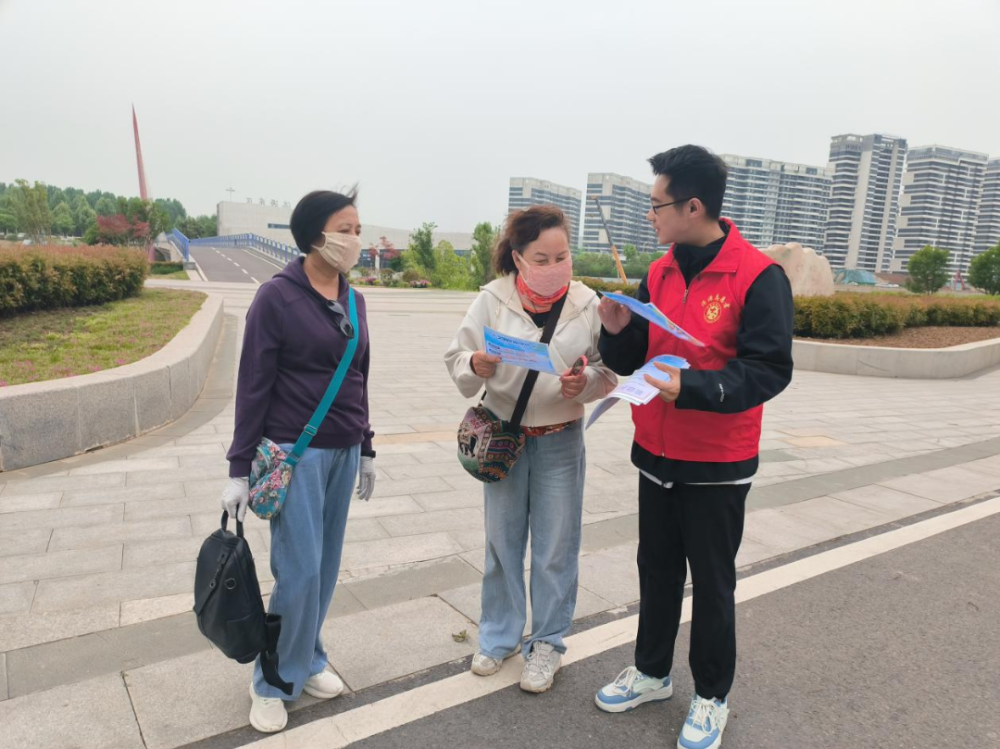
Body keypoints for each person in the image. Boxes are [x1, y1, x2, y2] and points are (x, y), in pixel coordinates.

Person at [593, 146, 793, 749]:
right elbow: (638, 360)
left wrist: (696, 387)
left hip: (717, 461)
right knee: (655, 570)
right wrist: (616, 332)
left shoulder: (757, 276)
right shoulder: (657, 273)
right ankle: (652, 672)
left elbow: (770, 369)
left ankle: (711, 696)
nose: (650, 216)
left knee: (711, 582)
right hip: (654, 451)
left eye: (657, 205)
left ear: (694, 206)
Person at [221, 189, 377, 734]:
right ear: (315, 234)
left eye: (359, 228)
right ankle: (269, 680)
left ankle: (307, 658)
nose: (355, 239)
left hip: (343, 450)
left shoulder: (354, 300)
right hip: (296, 455)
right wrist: (239, 469)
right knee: (299, 571)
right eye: (346, 228)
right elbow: (252, 386)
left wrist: (367, 445)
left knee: (326, 568)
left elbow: (359, 376)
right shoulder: (276, 298)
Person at [445, 205, 617, 694]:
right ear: (518, 258)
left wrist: (583, 384)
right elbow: (456, 356)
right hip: (505, 435)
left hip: (561, 439)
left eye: (561, 255)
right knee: (502, 543)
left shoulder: (587, 304)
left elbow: (607, 372)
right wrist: (475, 364)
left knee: (555, 547)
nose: (554, 266)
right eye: (541, 257)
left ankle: (548, 644)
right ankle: (498, 638)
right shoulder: (492, 301)